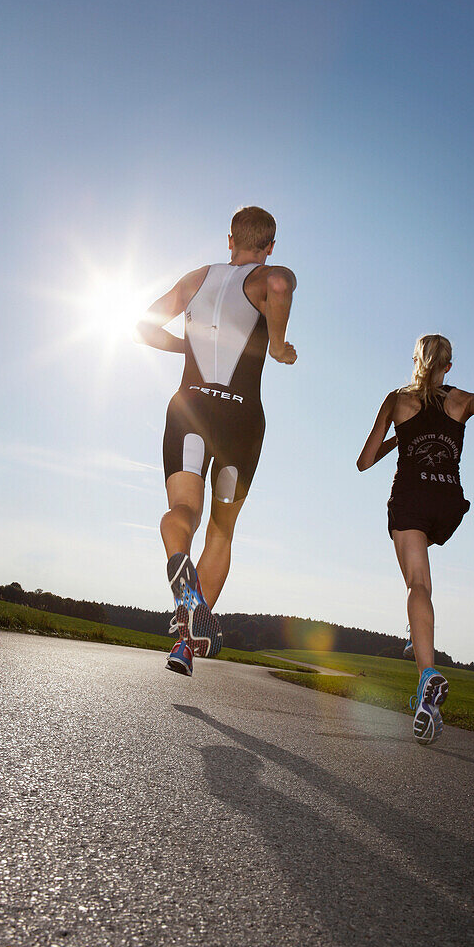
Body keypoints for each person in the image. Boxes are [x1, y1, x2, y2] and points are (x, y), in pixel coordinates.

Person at [135, 206, 297, 676]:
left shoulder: (196, 279)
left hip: (190, 408)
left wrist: (187, 346)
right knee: (222, 532)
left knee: (183, 511)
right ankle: (187, 642)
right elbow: (281, 287)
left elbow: (143, 326)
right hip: (241, 422)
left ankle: (178, 572)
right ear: (269, 245)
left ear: (230, 240)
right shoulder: (272, 274)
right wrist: (278, 343)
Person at [357, 334, 474, 745]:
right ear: (448, 366)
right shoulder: (460, 400)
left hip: (410, 498)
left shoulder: (397, 399)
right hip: (447, 502)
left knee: (417, 584)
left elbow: (364, 461)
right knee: (423, 583)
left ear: (415, 361)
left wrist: (399, 437)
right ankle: (420, 662)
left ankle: (426, 671)